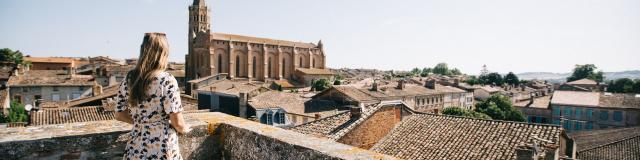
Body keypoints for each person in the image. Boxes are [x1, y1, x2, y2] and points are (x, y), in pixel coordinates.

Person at [115, 32, 191, 160]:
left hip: (136, 144)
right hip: (162, 147)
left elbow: (119, 114)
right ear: (163, 53)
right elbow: (177, 121)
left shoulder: (129, 78)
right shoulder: (166, 80)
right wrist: (184, 129)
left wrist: (142, 123)